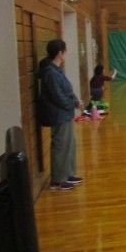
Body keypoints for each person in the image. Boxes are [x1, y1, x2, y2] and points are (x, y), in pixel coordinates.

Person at [37, 39, 84, 191]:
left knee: (69, 145)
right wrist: (74, 104)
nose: (66, 54)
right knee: (60, 146)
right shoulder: (51, 73)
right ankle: (57, 180)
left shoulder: (56, 70)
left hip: (65, 114)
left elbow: (66, 90)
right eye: (65, 51)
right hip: (58, 115)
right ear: (60, 53)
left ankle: (67, 174)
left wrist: (75, 101)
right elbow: (58, 96)